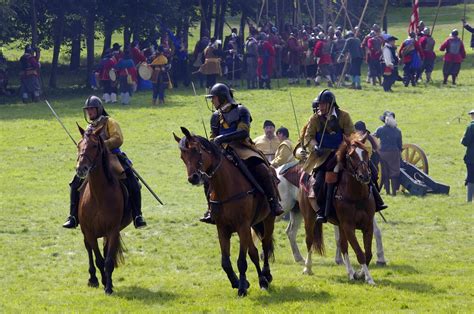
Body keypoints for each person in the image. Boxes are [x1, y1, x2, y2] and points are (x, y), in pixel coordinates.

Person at [200, 83, 284, 223]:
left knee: (262, 169)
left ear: (222, 98)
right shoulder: (215, 117)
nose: (212, 101)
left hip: (242, 147)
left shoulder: (241, 110)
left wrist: (222, 138)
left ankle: (273, 202)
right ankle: (211, 209)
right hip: (222, 151)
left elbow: (243, 132)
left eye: (213, 98)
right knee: (208, 176)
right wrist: (213, 142)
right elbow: (213, 136)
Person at [63, 96, 147, 229]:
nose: (89, 112)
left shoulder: (110, 122)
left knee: (132, 181)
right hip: (95, 161)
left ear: (99, 109)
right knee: (75, 183)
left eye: (92, 109)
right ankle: (73, 216)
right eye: (88, 110)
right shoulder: (89, 127)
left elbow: (118, 139)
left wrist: (102, 145)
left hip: (113, 157)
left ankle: (137, 215)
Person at [302, 89, 355, 223]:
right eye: (320, 104)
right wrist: (315, 146)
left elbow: (351, 135)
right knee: (319, 182)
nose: (321, 107)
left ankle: (376, 200)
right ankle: (322, 211)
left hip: (343, 152)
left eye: (324, 104)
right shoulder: (315, 119)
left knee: (367, 169)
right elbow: (308, 137)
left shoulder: (344, 116)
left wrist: (343, 148)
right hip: (323, 156)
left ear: (331, 104)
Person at [354, 121, 387, 211]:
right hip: (359, 162)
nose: (356, 132)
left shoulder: (367, 141)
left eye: (357, 131)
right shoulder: (361, 139)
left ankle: (377, 201)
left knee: (373, 177)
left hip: (366, 162)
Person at [374, 111, 402, 196]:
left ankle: (387, 192)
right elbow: (400, 145)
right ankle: (394, 192)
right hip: (393, 153)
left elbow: (374, 136)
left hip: (382, 153)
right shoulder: (398, 131)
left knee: (385, 173)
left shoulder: (380, 129)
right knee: (394, 173)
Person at [461, 109, 474, 202]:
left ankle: (469, 200)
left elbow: (466, 142)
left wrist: (462, 140)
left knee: (471, 177)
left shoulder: (471, 127)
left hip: (472, 157)